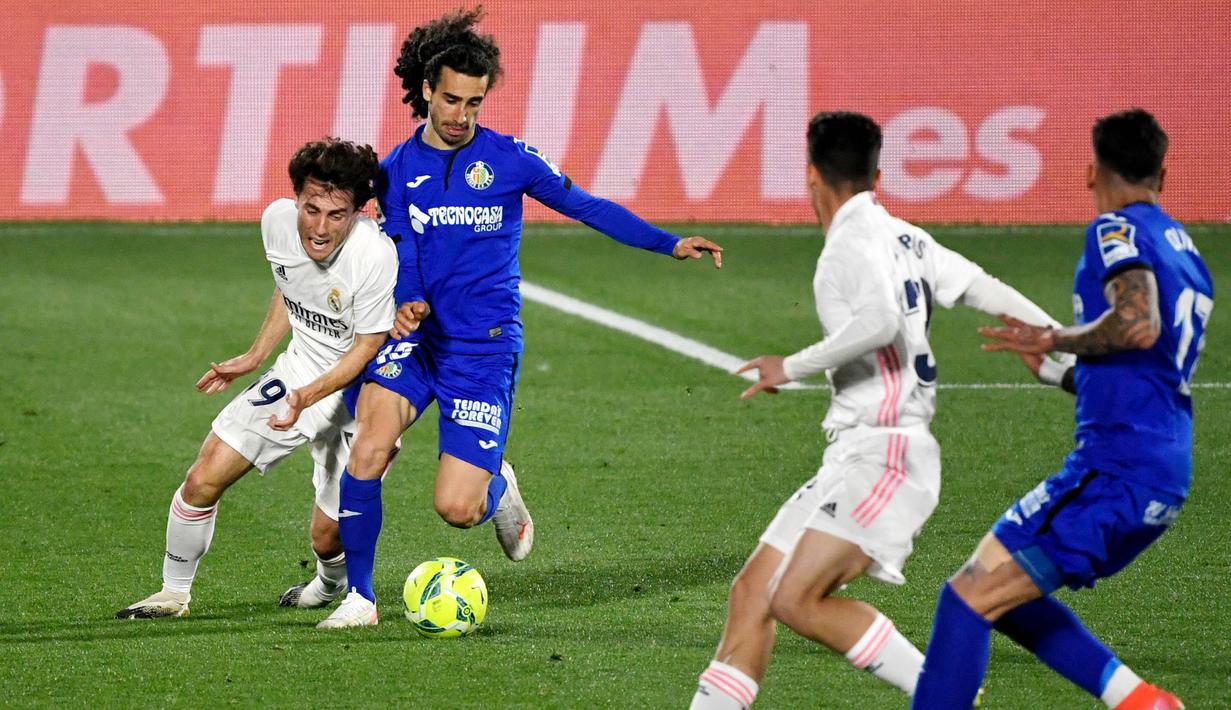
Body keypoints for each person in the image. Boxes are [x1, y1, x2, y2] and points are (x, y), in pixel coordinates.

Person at [316, 7, 723, 629]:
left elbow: (586, 205)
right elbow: (396, 247)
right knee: (368, 449)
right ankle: (361, 599)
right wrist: (404, 300)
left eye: (474, 104)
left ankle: (496, 487)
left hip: (483, 350)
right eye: (450, 100)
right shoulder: (395, 171)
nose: (460, 117)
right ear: (427, 91)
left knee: (455, 507)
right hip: (418, 342)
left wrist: (667, 242)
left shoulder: (510, 160)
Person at [689, 111, 1069, 708]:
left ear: (811, 174)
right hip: (856, 453)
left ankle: (944, 696)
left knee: (794, 598)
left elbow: (880, 322)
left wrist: (788, 367)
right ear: (879, 174)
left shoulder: (847, 246)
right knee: (752, 592)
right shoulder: (905, 236)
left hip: (887, 453)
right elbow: (980, 286)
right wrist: (1056, 336)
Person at [910, 109, 1211, 709]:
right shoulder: (1186, 250)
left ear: (1091, 169)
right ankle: (1139, 701)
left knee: (966, 596)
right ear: (1165, 171)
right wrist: (1064, 372)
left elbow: (1137, 323)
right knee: (1006, 595)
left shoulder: (1115, 230)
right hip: (1160, 465)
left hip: (1114, 469)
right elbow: (1150, 365)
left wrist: (1057, 338)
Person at [116, 138, 397, 619]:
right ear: (296, 200)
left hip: (359, 395)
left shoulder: (374, 256)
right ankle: (173, 593)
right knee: (203, 477)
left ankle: (330, 585)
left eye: (336, 215)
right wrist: (256, 354)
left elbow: (368, 347)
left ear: (357, 213)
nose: (320, 227)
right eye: (311, 209)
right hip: (297, 372)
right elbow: (290, 286)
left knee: (327, 535)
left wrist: (308, 397)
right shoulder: (276, 223)